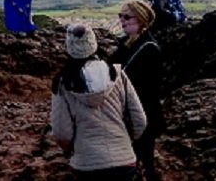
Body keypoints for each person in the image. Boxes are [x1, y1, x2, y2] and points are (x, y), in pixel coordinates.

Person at [51, 24, 147, 181]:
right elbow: (139, 121)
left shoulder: (64, 82)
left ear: (68, 47)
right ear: (94, 43)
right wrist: (124, 140)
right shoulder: (117, 74)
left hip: (86, 164)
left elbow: (62, 132)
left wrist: (71, 150)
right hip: (124, 160)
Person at [111, 1, 165, 181]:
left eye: (127, 17)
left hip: (142, 115)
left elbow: (150, 89)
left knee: (142, 162)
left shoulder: (149, 48)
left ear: (140, 20)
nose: (122, 20)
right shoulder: (126, 43)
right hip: (129, 114)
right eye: (120, 16)